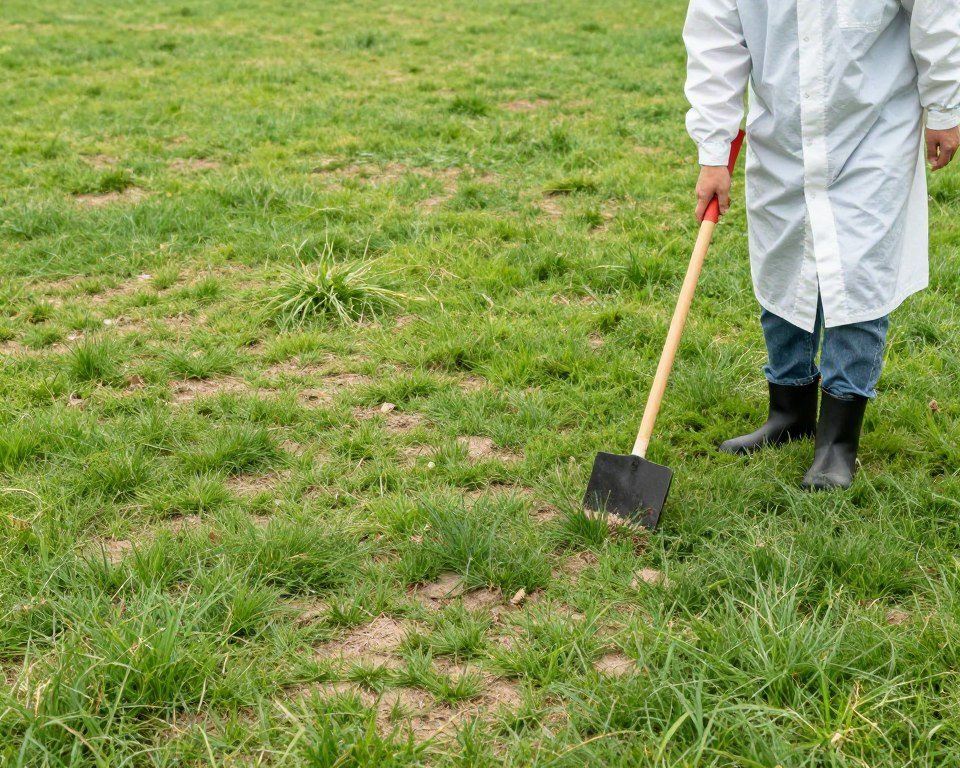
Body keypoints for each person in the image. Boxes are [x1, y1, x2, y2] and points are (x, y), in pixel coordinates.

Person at [683, 0, 959, 489]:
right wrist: (713, 149)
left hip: (874, 127)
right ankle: (788, 412)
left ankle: (837, 442)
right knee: (783, 263)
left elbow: (936, 12)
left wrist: (944, 104)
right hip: (784, 133)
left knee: (858, 273)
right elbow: (715, 39)